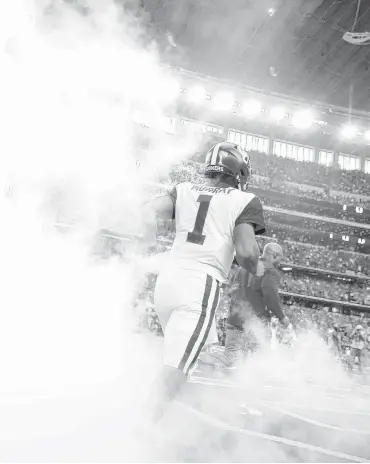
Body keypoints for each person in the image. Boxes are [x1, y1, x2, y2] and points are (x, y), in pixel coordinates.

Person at [142, 142, 266, 421]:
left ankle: (163, 413)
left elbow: (148, 210)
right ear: (238, 170)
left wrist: (147, 248)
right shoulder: (244, 200)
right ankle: (141, 426)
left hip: (167, 283)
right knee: (176, 367)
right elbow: (247, 252)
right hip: (200, 284)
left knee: (192, 353)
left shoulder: (184, 189)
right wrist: (257, 268)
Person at [205, 242, 294, 368]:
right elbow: (270, 295)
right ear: (274, 255)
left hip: (234, 319)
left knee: (230, 358)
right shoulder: (270, 271)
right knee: (259, 360)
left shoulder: (244, 268)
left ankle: (202, 358)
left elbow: (230, 290)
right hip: (255, 322)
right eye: (279, 257)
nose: (280, 262)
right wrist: (282, 317)